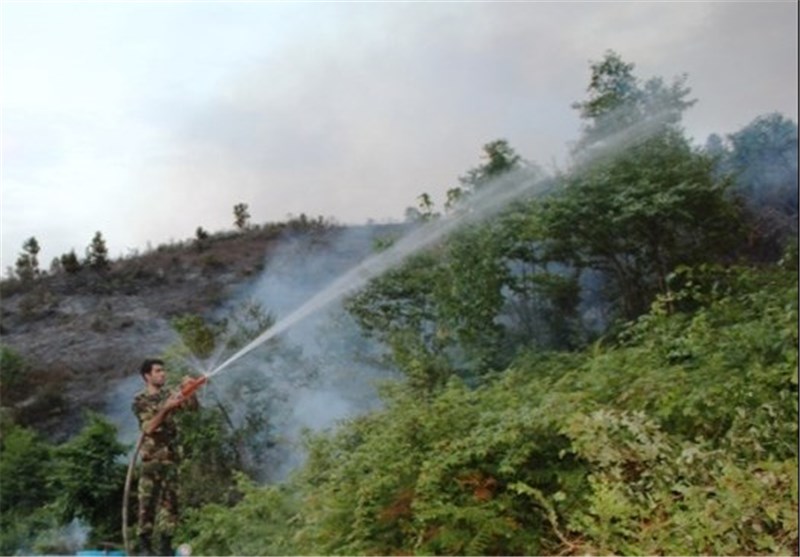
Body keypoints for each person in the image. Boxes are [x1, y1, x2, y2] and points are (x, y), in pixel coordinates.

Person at [132, 358, 198, 556]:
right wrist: (166, 408)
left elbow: (192, 409)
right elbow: (149, 427)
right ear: (147, 376)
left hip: (171, 458)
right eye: (158, 371)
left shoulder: (170, 394)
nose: (163, 374)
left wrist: (190, 390)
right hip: (151, 459)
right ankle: (145, 547)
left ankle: (165, 545)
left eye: (163, 370)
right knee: (147, 503)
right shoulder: (140, 400)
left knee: (171, 504)